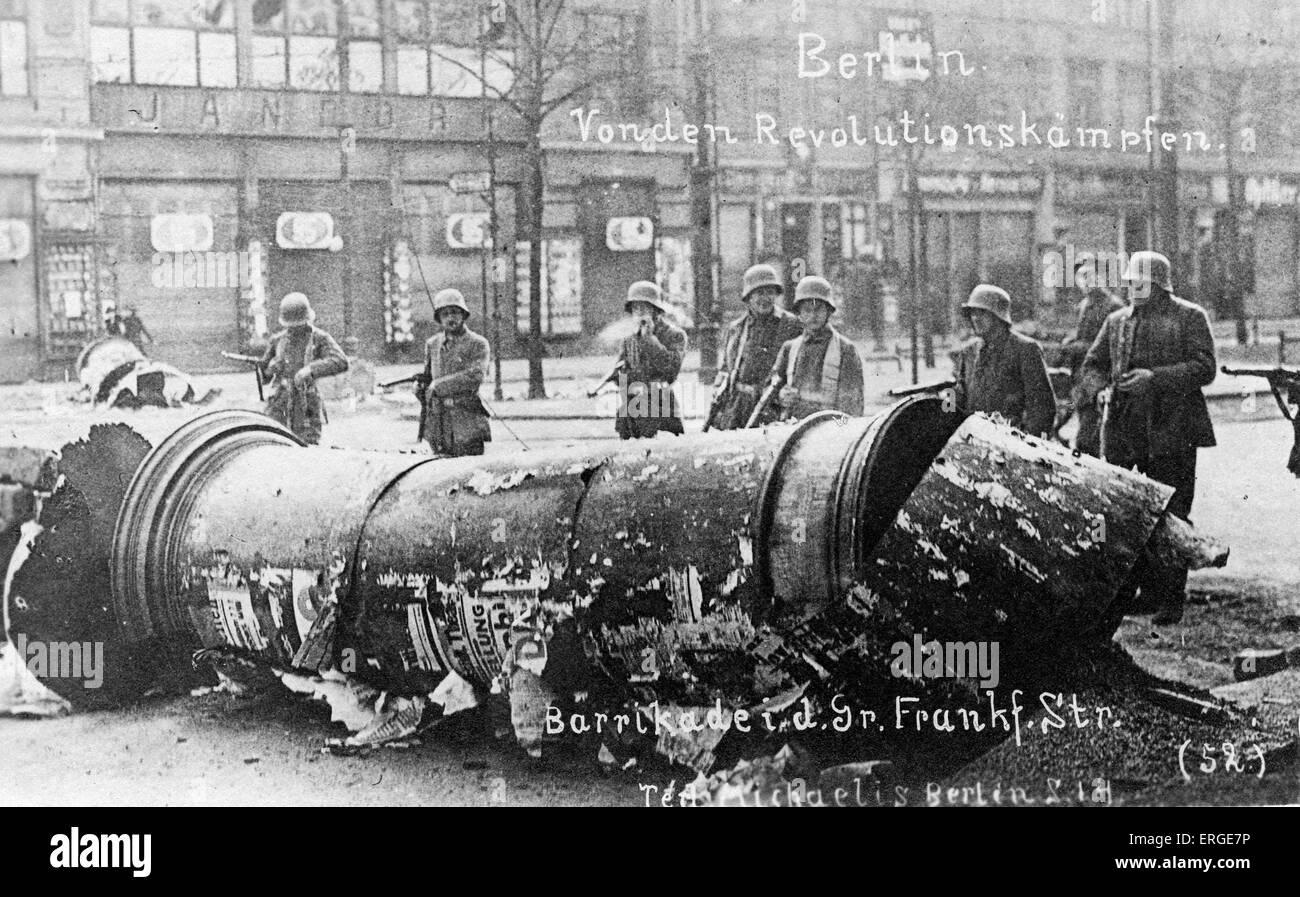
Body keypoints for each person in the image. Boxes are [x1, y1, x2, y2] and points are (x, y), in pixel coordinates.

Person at [1078, 251, 1217, 625]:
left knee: (1173, 514)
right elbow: (1092, 366)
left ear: (1160, 285)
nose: (1132, 289)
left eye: (1140, 283)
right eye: (1129, 283)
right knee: (1127, 514)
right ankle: (1142, 592)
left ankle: (1171, 598)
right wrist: (1101, 391)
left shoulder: (1189, 317)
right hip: (1124, 432)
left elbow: (1206, 368)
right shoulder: (1116, 321)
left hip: (1173, 431)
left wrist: (1155, 378)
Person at [952, 284, 1056, 437]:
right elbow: (958, 394)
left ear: (998, 316)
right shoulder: (969, 351)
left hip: (1011, 442)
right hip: (973, 439)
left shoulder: (1025, 349)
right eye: (972, 312)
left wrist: (1026, 446)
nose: (975, 318)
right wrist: (942, 406)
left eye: (982, 312)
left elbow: (1042, 408)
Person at [708, 264, 803, 430]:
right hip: (737, 407)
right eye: (759, 293)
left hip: (772, 407)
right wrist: (718, 390)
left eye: (770, 292)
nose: (765, 299)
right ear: (748, 297)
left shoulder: (792, 325)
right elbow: (725, 369)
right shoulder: (736, 329)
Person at [765, 275, 865, 422]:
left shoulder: (845, 350)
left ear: (829, 311)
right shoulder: (789, 349)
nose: (813, 315)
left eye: (818, 309)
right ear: (798, 314)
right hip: (793, 429)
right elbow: (769, 391)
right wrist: (780, 396)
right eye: (806, 310)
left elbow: (852, 405)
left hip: (829, 431)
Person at [595, 281, 686, 439]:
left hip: (660, 406)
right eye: (635, 308)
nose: (639, 313)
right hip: (633, 407)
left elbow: (671, 369)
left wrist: (649, 340)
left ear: (656, 311)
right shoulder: (629, 340)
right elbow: (623, 369)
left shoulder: (674, 335)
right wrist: (614, 379)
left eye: (644, 308)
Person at [259, 292, 349, 445]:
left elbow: (341, 361)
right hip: (278, 405)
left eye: (299, 325)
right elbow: (264, 377)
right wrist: (270, 369)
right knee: (274, 445)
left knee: (307, 448)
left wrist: (310, 369)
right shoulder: (277, 341)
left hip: (306, 405)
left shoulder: (320, 338)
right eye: (291, 326)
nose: (295, 329)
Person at [417, 289, 492, 456]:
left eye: (455, 313)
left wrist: (439, 385)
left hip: (467, 423)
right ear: (439, 318)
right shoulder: (432, 344)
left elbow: (475, 376)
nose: (450, 318)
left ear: (463, 315)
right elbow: (428, 378)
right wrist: (420, 388)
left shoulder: (478, 343)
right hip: (438, 424)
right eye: (445, 314)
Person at [1063, 258, 1125, 456]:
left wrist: (1079, 347)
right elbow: (1085, 334)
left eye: (1091, 275)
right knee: (1085, 430)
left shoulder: (1113, 306)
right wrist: (1071, 340)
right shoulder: (1084, 305)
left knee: (1091, 438)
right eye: (1082, 276)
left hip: (1100, 379)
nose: (1086, 281)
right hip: (1081, 378)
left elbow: (1114, 346)